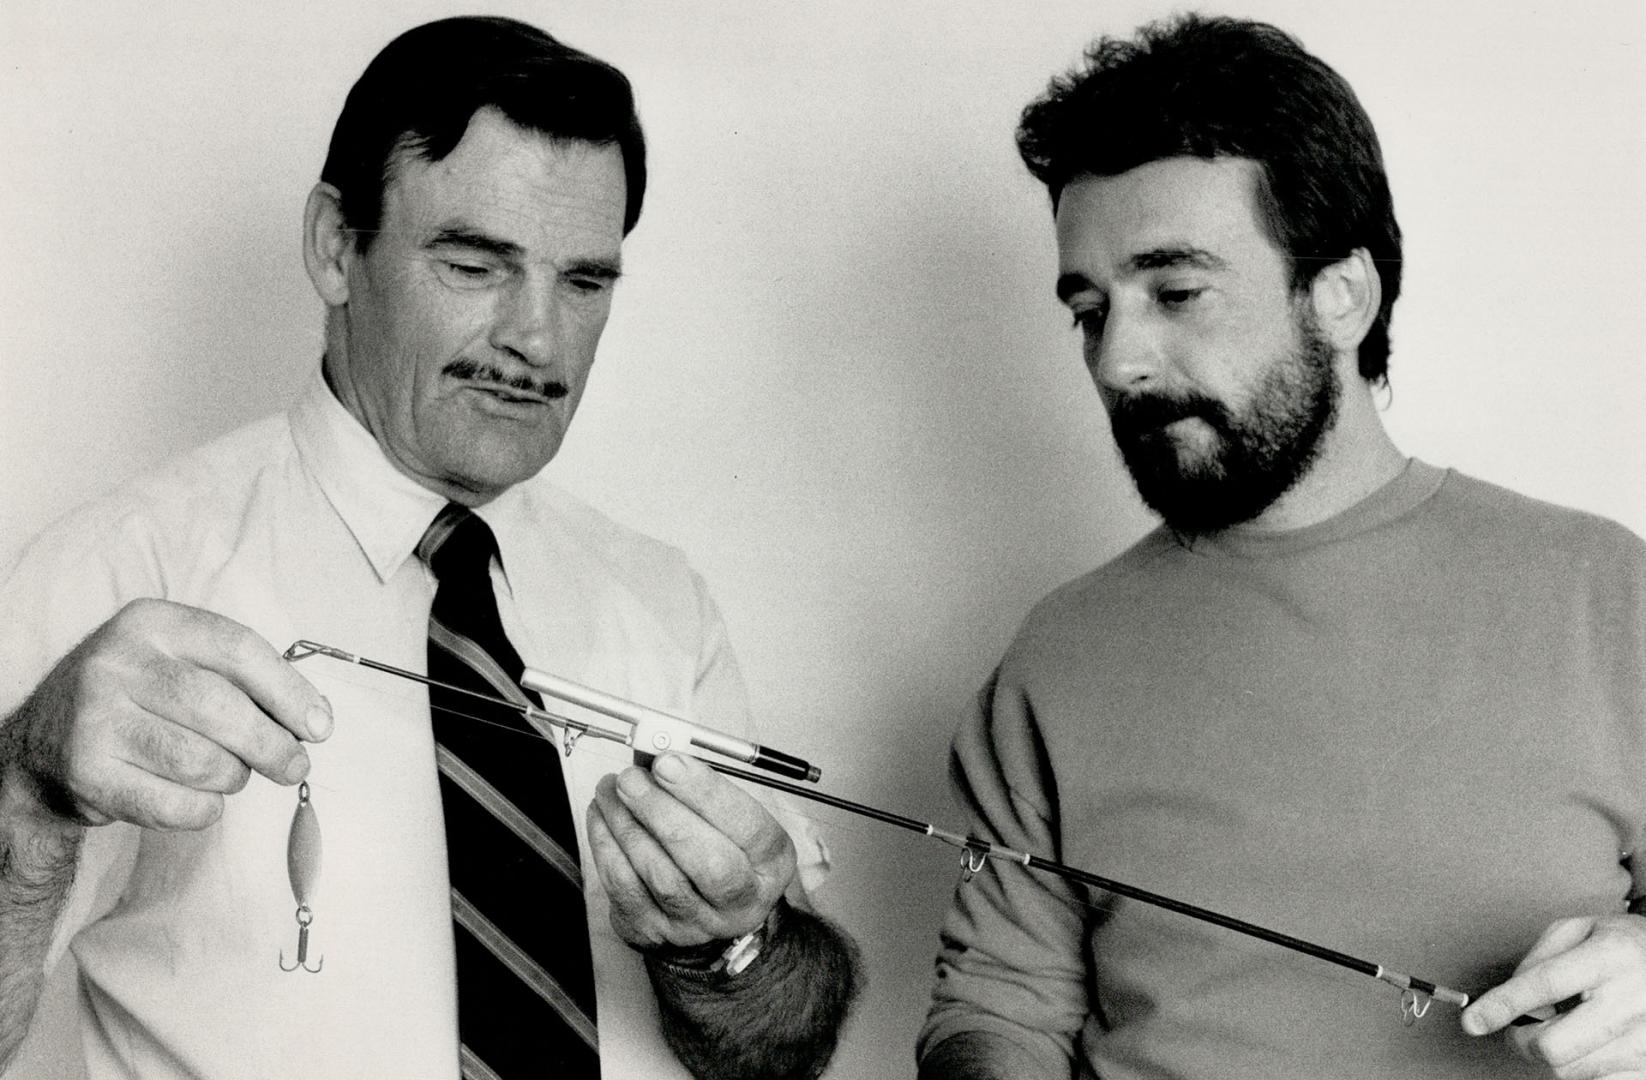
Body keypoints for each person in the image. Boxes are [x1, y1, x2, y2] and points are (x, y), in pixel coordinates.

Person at [0, 16, 857, 1080]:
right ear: (333, 247)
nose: (538, 340)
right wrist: (27, 800)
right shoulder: (117, 580)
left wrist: (732, 946)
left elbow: (775, 1052)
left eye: (584, 282)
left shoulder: (658, 600)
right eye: (473, 263)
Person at [918, 13, 1645, 1080]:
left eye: (1175, 293)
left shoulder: (1603, 594)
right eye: (1088, 309)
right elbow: (994, 1014)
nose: (1119, 358)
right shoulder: (1054, 657)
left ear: (1340, 295)